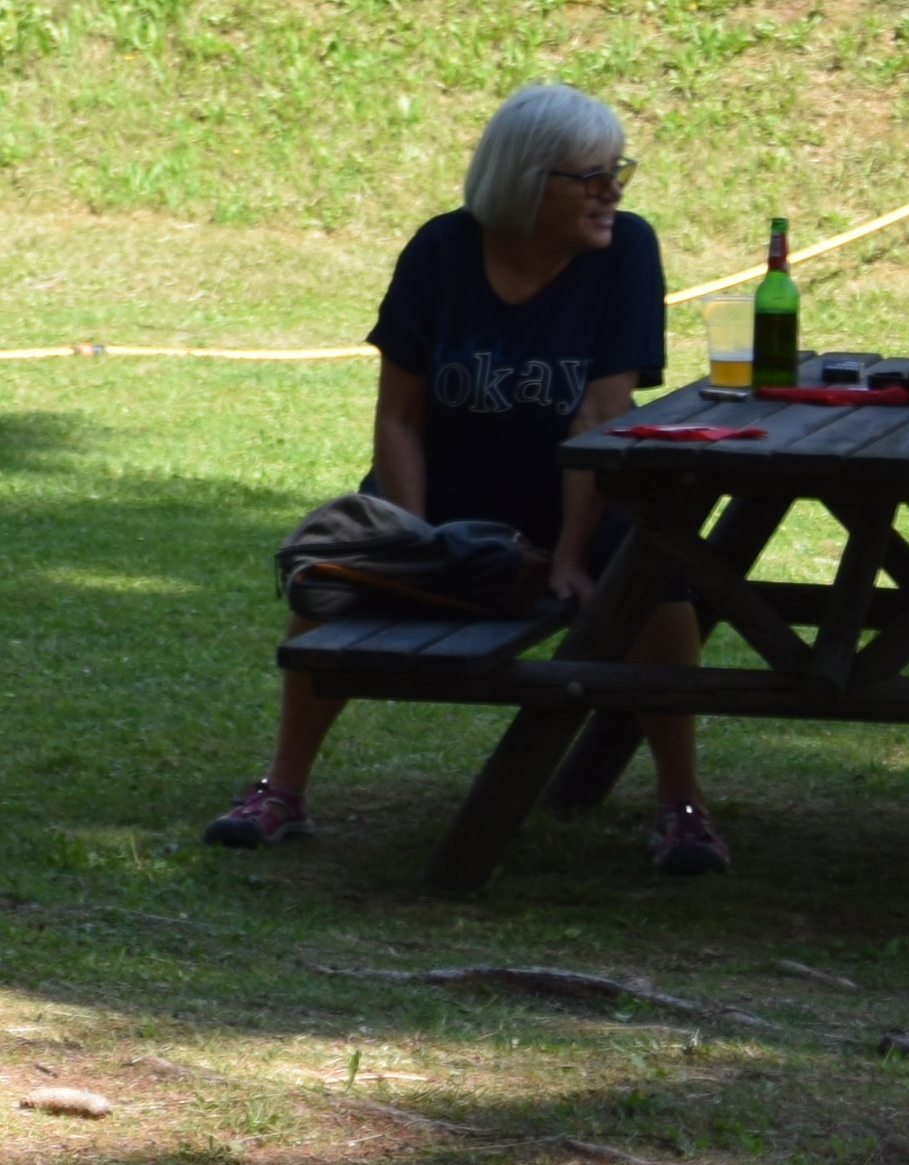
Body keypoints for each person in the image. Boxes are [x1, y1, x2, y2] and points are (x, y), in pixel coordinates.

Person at [206, 83, 714, 873]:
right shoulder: (441, 252)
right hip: (436, 495)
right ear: (526, 180)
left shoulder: (626, 253)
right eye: (591, 176)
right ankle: (282, 789)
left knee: (657, 579)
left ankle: (682, 807)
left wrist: (573, 558)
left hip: (572, 494)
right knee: (324, 583)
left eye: (618, 170)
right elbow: (400, 418)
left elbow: (598, 418)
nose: (611, 191)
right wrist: (416, 542)